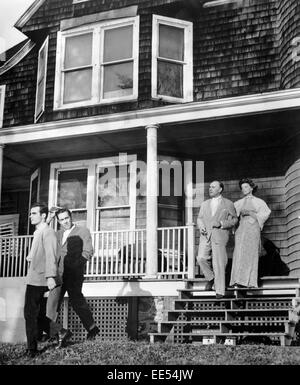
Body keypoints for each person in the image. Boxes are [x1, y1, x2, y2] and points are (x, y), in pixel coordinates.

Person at [48, 208, 99, 347]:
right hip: (58, 274)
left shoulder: (82, 231)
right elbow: (44, 235)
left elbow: (88, 251)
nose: (65, 221)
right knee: (52, 303)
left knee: (77, 301)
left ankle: (92, 329)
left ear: (71, 217)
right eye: (62, 219)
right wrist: (48, 218)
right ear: (58, 221)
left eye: (67, 218)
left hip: (74, 274)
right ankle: (55, 334)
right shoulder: (57, 234)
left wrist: (76, 267)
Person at [24, 202, 58, 358]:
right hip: (33, 276)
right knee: (35, 314)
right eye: (30, 213)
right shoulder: (39, 231)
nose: (30, 216)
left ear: (42, 215)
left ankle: (32, 349)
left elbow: (51, 255)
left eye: (34, 213)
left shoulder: (48, 232)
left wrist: (50, 276)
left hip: (40, 278)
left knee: (30, 314)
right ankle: (61, 333)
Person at [197, 181, 238, 298]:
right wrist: (201, 227)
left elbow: (235, 220)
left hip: (220, 235)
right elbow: (200, 218)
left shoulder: (228, 203)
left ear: (220, 189)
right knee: (201, 258)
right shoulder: (205, 204)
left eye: (213, 187)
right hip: (206, 236)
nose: (210, 189)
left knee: (219, 263)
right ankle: (211, 278)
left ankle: (220, 291)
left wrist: (221, 223)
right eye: (209, 187)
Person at [230, 178, 271, 288]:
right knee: (239, 253)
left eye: (246, 187)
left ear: (252, 188)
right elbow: (231, 214)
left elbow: (265, 213)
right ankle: (238, 280)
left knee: (251, 253)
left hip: (253, 228)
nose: (244, 189)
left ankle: (249, 282)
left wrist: (251, 213)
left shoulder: (259, 202)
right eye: (242, 187)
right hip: (241, 229)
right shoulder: (238, 203)